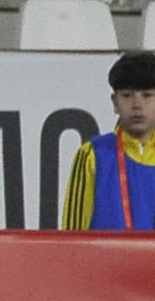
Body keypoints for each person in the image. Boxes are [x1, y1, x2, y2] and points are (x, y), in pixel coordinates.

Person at [62, 51, 155, 230]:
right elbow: (71, 237)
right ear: (114, 102)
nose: (137, 105)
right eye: (127, 95)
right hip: (107, 259)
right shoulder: (92, 155)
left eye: (147, 95)